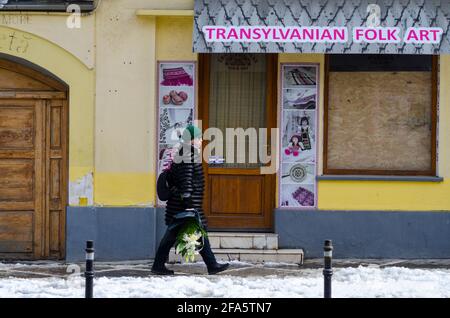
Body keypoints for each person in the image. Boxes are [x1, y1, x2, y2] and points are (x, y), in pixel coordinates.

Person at [151, 125, 230, 275]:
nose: (201, 141)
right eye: (199, 138)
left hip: (181, 204)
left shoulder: (185, 152)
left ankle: (211, 265)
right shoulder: (188, 153)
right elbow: (186, 178)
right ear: (192, 140)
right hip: (184, 205)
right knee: (180, 235)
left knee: (195, 234)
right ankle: (211, 265)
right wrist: (188, 202)